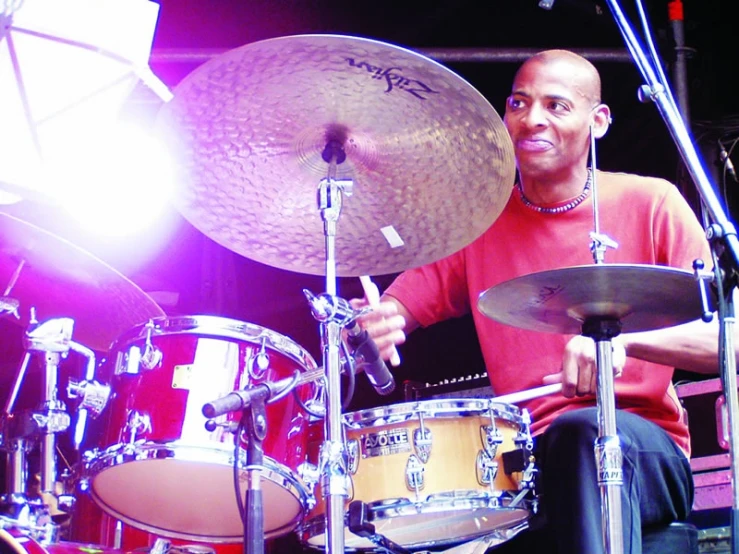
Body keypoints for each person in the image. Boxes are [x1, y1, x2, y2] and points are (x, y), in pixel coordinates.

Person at [353, 49, 721, 554]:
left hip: (647, 449)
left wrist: (623, 345)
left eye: (556, 105)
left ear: (599, 121)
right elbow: (398, 309)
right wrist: (373, 328)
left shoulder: (653, 202)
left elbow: (729, 339)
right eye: (518, 103)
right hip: (527, 465)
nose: (532, 120)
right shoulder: (480, 223)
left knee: (578, 434)